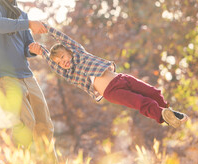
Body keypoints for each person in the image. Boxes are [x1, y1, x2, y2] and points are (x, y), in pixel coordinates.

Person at [29, 23, 188, 128]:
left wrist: (45, 28)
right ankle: (161, 115)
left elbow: (62, 37)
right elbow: (49, 59)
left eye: (63, 57)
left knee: (153, 93)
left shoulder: (78, 51)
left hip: (122, 78)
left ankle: (170, 114)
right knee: (142, 102)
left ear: (69, 51)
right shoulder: (70, 73)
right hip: (112, 92)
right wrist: (40, 49)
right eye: (59, 61)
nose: (62, 62)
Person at [0, 0, 57, 161]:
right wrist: (28, 23)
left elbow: (26, 47)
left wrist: (34, 49)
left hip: (25, 75)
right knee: (25, 123)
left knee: (45, 125)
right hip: (3, 75)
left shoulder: (22, 15)